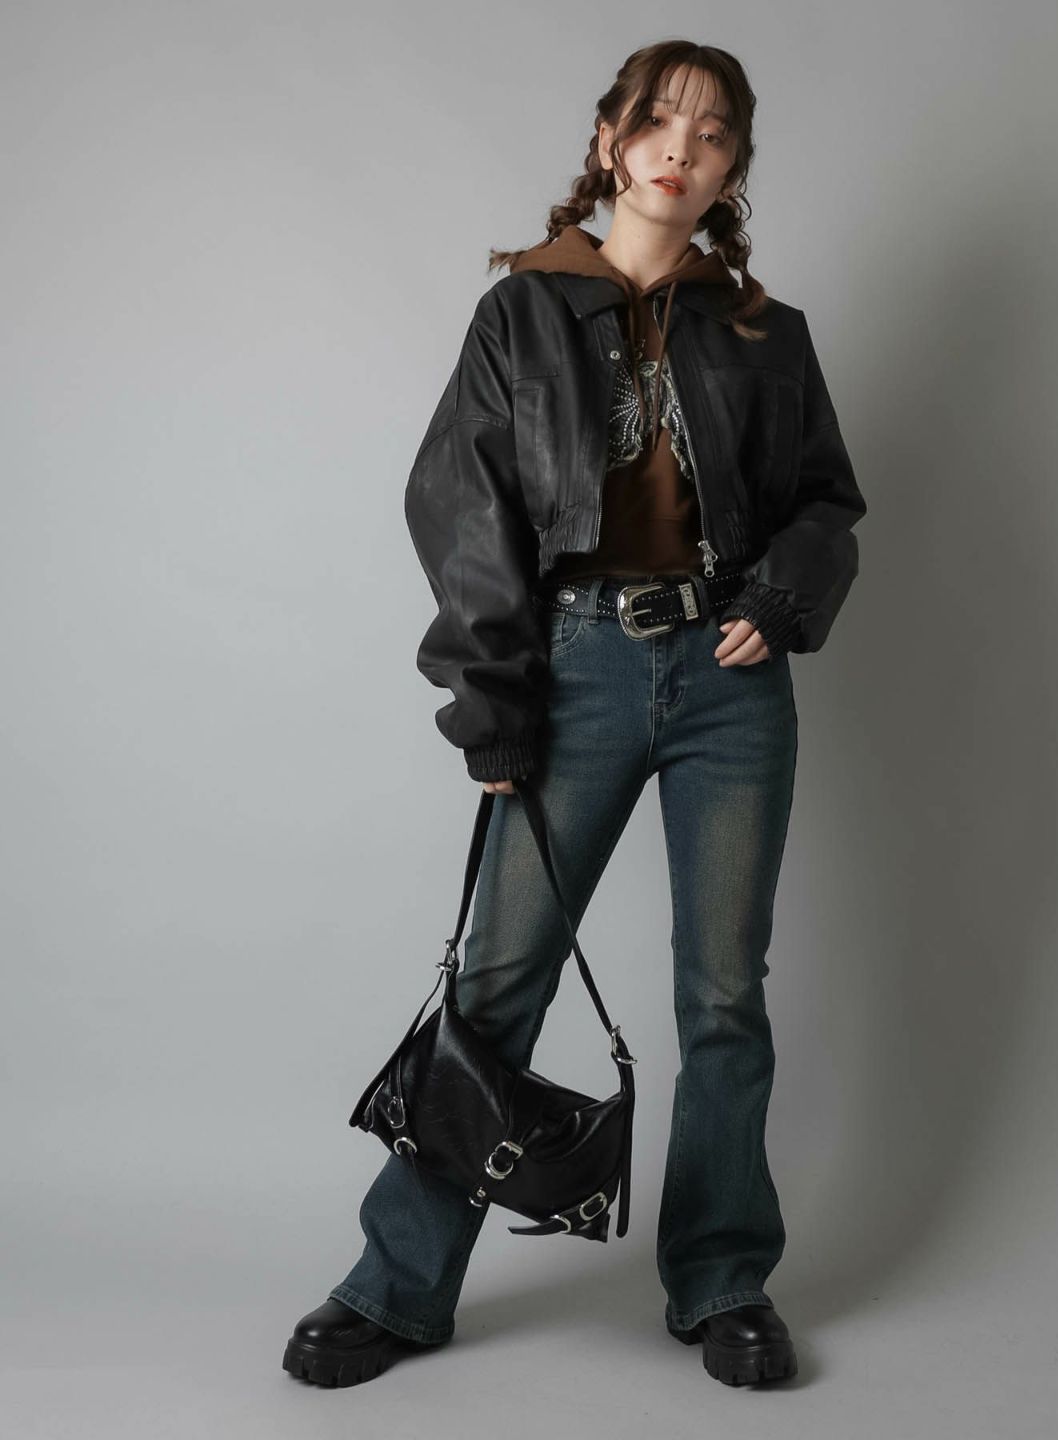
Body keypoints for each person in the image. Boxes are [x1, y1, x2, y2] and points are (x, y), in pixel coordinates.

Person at [283, 38, 866, 1390]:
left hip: (730, 681)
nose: (680, 150)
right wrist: (490, 696)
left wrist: (780, 597)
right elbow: (460, 504)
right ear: (610, 139)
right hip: (573, 668)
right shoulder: (523, 314)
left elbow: (826, 500)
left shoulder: (764, 330)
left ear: (732, 166)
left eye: (712, 134)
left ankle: (723, 1280)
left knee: (724, 995)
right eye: (658, 123)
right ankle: (398, 1288)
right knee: (499, 981)